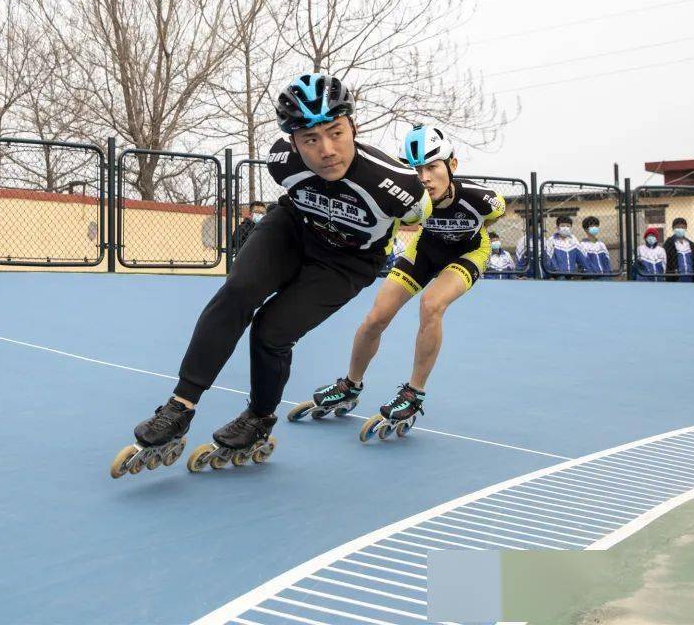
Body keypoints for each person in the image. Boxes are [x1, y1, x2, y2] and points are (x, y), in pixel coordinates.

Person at [110, 73, 431, 477]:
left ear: (354, 126)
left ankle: (259, 419)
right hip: (293, 230)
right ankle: (178, 408)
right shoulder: (282, 161)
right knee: (238, 291)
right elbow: (291, 196)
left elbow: (423, 226)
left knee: (272, 331)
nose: (327, 150)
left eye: (335, 132)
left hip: (346, 262)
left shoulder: (398, 187)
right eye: (310, 140)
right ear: (294, 142)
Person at [287, 123, 506, 440]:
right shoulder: (408, 196)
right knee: (376, 317)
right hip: (425, 249)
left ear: (452, 165)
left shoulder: (483, 200)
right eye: (416, 170)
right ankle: (350, 384)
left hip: (468, 252)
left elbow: (494, 216)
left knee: (431, 305)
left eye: (432, 167)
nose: (425, 178)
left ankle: (414, 394)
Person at [663, 217, 694, 283]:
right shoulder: (669, 244)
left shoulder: (690, 244)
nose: (680, 229)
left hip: (691, 277)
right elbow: (665, 262)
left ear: (685, 228)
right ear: (673, 228)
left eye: (682, 227)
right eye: (677, 227)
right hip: (676, 279)